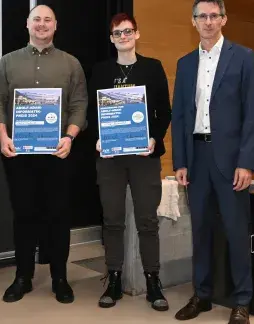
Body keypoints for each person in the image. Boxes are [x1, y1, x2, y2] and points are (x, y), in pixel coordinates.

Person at [0, 4, 87, 304]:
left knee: (58, 215)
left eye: (47, 20)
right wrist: (3, 137)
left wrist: (70, 137)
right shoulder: (8, 62)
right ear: (27, 24)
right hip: (19, 154)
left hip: (58, 153)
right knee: (24, 215)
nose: (42, 25)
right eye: (37, 20)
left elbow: (79, 105)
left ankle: (60, 277)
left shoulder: (71, 64)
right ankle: (23, 277)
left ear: (55, 26)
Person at [171, 1, 254, 323]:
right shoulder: (185, 63)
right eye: (201, 16)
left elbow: (252, 115)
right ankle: (202, 295)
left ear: (224, 19)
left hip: (232, 160)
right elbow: (180, 116)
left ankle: (242, 300)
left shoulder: (245, 58)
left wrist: (247, 162)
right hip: (196, 158)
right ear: (193, 22)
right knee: (201, 231)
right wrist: (180, 161)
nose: (208, 22)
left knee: (236, 231)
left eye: (213, 16)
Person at [88, 12, 172, 311]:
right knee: (112, 220)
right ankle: (113, 278)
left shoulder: (152, 68)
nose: (123, 37)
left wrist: (154, 139)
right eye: (117, 33)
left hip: (143, 157)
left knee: (147, 221)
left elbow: (164, 112)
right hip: (110, 158)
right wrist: (98, 138)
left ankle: (152, 279)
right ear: (111, 39)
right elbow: (92, 114)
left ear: (136, 34)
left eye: (128, 31)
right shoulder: (99, 71)